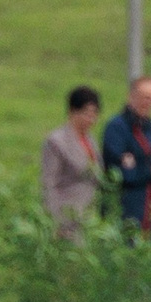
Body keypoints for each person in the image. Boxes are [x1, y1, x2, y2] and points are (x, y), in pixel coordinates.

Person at [101, 76, 151, 237]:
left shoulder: (149, 127)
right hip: (128, 211)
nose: (148, 103)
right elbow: (119, 172)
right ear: (131, 97)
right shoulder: (117, 127)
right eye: (145, 98)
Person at [40, 85, 105, 240]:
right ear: (72, 111)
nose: (91, 119)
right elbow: (49, 183)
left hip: (88, 217)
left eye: (94, 114)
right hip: (66, 217)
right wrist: (55, 221)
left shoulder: (91, 140)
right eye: (86, 114)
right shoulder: (56, 142)